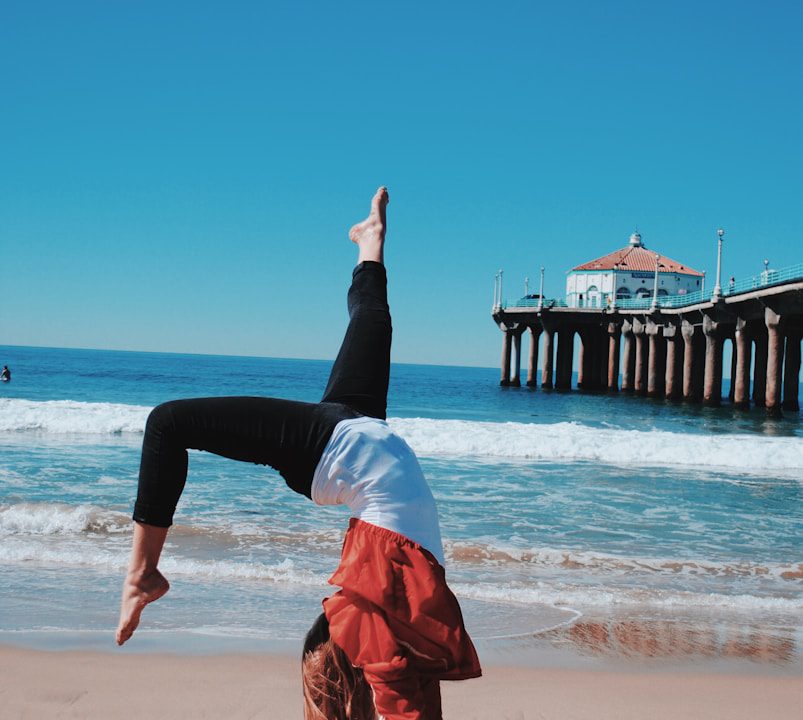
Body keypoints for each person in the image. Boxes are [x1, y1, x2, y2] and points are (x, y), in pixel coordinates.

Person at [115, 187, 481, 719]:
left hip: (342, 450)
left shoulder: (372, 620)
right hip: (353, 436)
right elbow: (404, 698)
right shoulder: (377, 628)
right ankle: (370, 244)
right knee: (369, 322)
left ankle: (141, 574)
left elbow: (399, 689)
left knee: (168, 423)